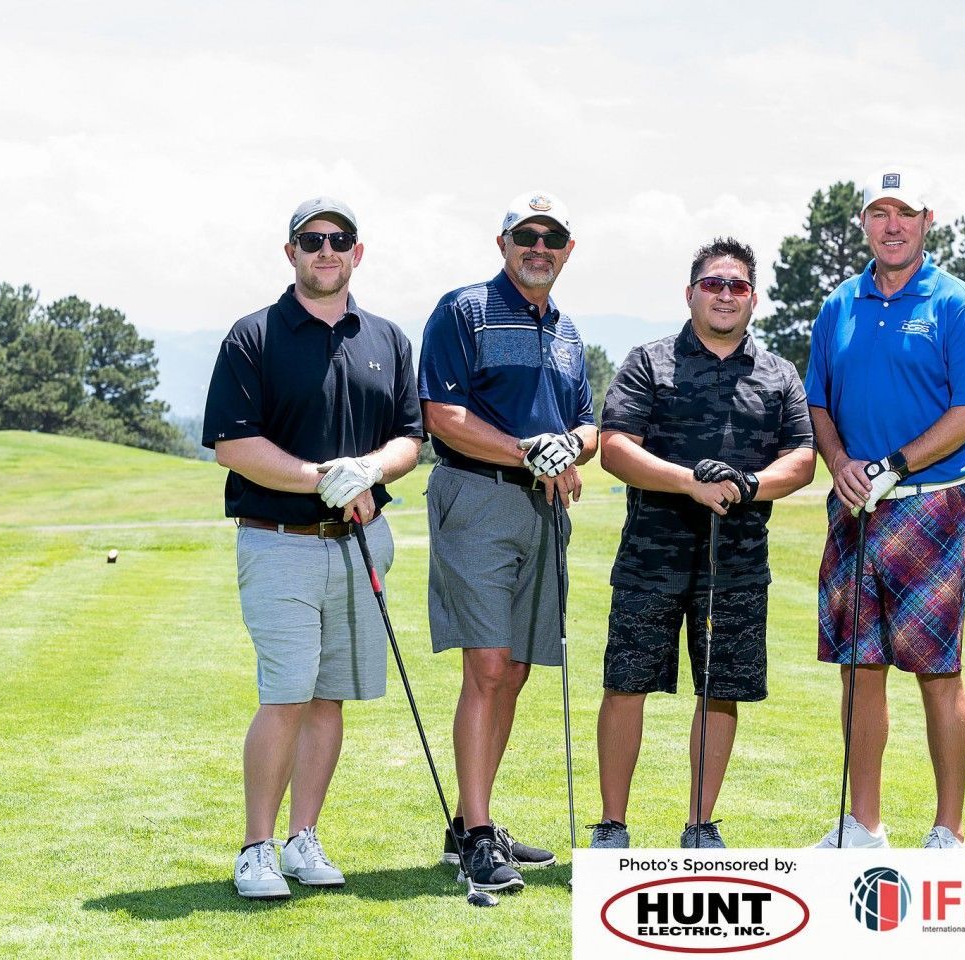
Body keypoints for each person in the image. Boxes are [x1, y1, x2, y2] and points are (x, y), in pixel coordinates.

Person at [203, 197, 423, 898]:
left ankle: (303, 838)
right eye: (311, 240)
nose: (325, 250)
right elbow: (233, 445)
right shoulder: (253, 336)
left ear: (357, 252)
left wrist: (371, 470)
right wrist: (325, 479)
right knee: (286, 694)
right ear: (291, 252)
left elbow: (409, 437)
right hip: (279, 543)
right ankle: (256, 848)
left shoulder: (386, 338)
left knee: (330, 697)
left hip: (361, 543)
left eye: (339, 239)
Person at [588, 238, 815, 850]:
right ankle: (612, 825)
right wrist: (690, 483)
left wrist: (750, 485)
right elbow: (615, 448)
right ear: (690, 293)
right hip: (651, 557)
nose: (724, 295)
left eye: (736, 286)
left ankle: (700, 823)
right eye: (713, 284)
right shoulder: (649, 361)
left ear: (753, 299)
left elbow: (802, 458)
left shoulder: (779, 374)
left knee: (721, 691)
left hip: (737, 563)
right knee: (626, 683)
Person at [804, 168, 965, 850]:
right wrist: (838, 461)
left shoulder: (955, 303)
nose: (892, 226)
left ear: (926, 221)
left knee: (937, 670)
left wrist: (896, 463)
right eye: (879, 213)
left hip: (932, 504)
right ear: (864, 222)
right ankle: (863, 825)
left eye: (905, 214)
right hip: (854, 505)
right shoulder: (839, 304)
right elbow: (819, 402)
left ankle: (949, 832)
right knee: (859, 668)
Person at [418, 190, 598, 892]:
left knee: (517, 668)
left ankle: (472, 821)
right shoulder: (464, 310)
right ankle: (477, 837)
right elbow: (444, 415)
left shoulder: (568, 331)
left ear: (568, 250)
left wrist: (568, 448)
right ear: (503, 244)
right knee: (489, 666)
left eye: (551, 238)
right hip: (477, 498)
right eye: (526, 235)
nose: (538, 248)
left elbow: (588, 423)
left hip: (543, 508)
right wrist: (528, 451)